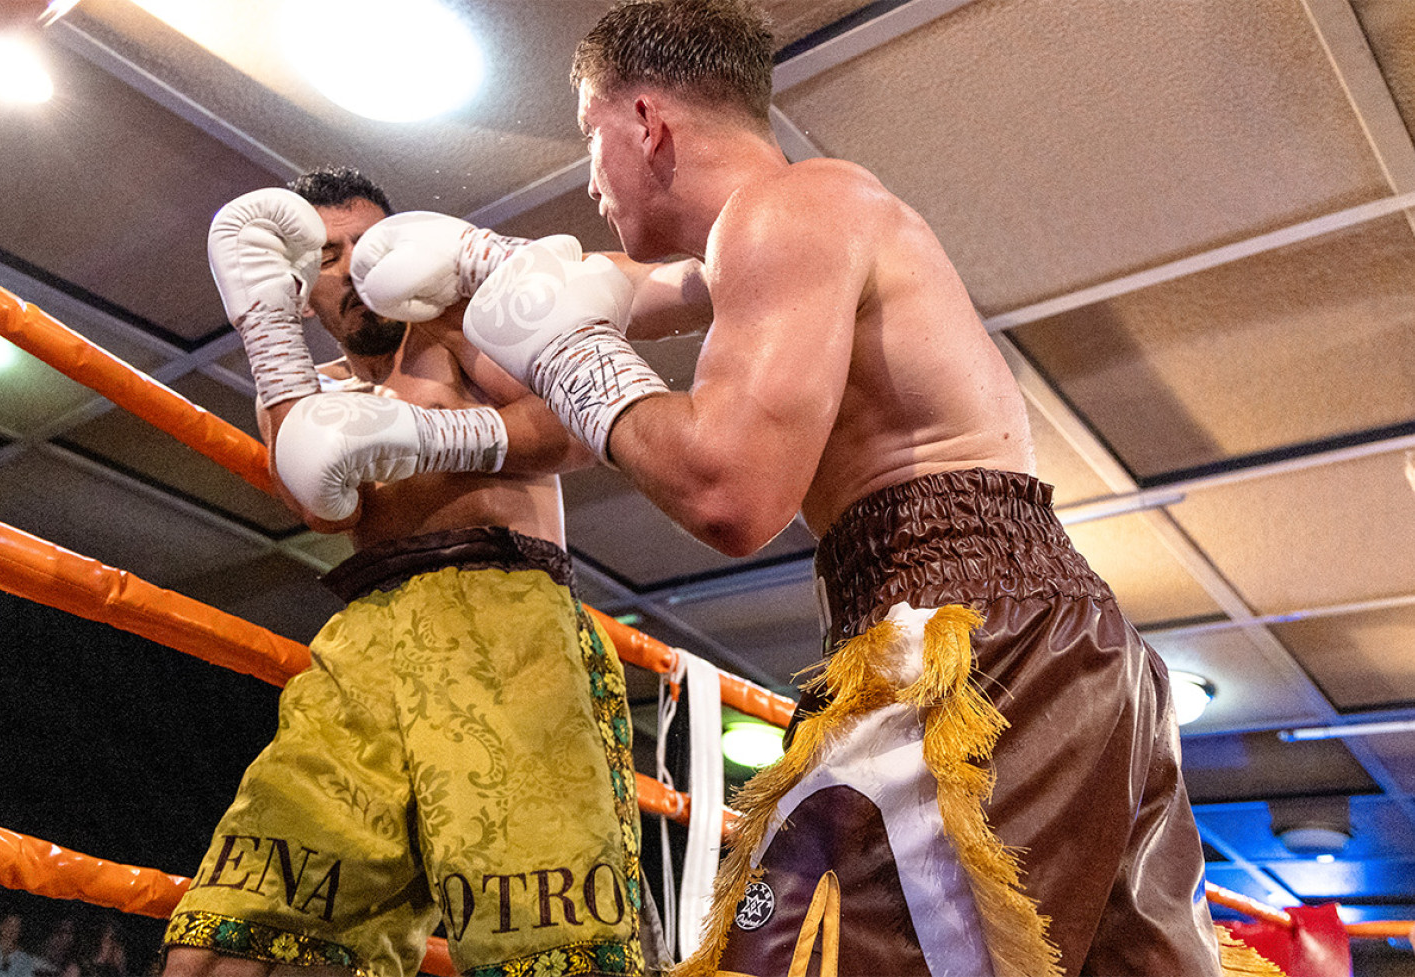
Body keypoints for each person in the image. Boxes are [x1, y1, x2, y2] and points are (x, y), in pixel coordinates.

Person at [456, 1, 1230, 975]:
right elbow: (591, 310)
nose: (589, 181)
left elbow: (728, 493)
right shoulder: (767, 245)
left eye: (588, 139)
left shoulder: (794, 206)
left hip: (969, 640)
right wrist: (473, 266)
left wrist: (571, 358)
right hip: (1044, 638)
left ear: (643, 122)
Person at [157, 165, 653, 977]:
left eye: (365, 244)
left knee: (548, 946)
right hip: (368, 638)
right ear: (301, 285)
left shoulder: (461, 330)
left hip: (506, 621)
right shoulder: (305, 391)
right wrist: (265, 330)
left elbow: (576, 424)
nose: (351, 267)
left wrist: (430, 436)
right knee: (227, 945)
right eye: (326, 255)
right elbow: (326, 508)